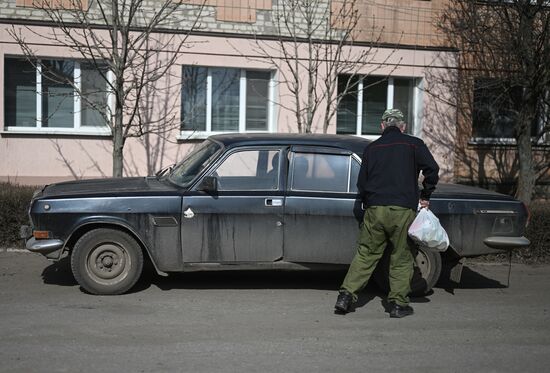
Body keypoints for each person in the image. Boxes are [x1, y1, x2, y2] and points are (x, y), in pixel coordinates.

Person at [334, 108, 439, 318]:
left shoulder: (372, 149)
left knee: (365, 255)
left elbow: (361, 183)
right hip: (402, 210)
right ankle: (398, 305)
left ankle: (345, 297)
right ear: (403, 126)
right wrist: (426, 194)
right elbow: (432, 170)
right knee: (401, 257)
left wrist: (367, 204)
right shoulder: (414, 144)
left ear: (382, 126)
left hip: (375, 210)